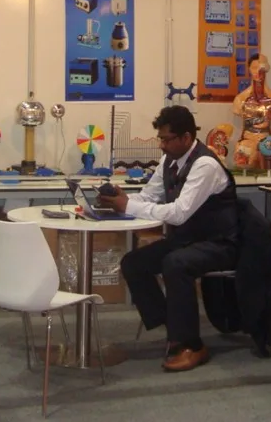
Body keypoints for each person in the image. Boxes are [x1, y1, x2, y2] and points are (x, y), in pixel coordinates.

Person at [99, 105, 238, 372]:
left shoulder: (205, 165)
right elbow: (149, 196)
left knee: (176, 264)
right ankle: (173, 328)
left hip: (218, 243)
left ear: (186, 137)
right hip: (187, 240)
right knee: (133, 263)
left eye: (166, 139)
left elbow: (178, 213)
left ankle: (192, 345)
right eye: (160, 139)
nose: (162, 145)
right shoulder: (170, 160)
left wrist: (128, 207)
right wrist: (120, 200)